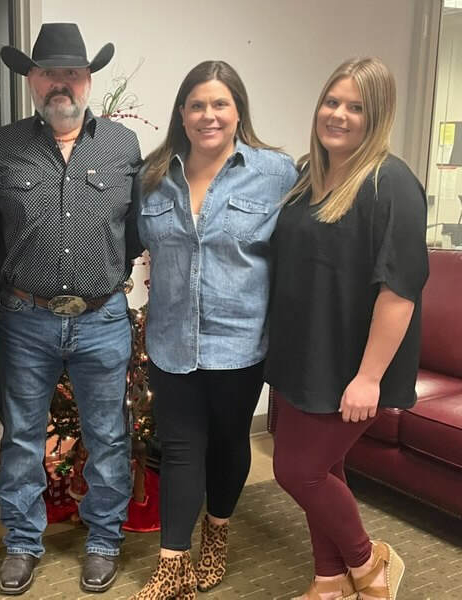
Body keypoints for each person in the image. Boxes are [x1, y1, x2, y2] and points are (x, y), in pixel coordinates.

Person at [0, 22, 142, 596]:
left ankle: (103, 541)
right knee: (22, 437)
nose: (60, 84)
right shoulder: (0, 149)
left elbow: (135, 229)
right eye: (49, 73)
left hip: (102, 319)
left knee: (109, 436)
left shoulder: (123, 145)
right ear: (31, 79)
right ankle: (23, 543)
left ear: (89, 79)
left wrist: (110, 278)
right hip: (25, 319)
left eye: (72, 73)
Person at [131, 60, 297, 599]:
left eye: (220, 104)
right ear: (182, 112)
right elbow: (127, 244)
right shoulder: (153, 176)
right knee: (180, 447)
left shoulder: (275, 173)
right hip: (171, 341)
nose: (209, 115)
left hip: (241, 342)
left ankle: (217, 535)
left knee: (228, 443)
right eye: (198, 105)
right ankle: (172, 566)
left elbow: (298, 253)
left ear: (238, 111)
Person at [266, 57, 428, 600]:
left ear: (376, 116)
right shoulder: (306, 176)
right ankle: (329, 581)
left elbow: (399, 292)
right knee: (326, 468)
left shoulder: (391, 182)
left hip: (352, 364)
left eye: (355, 107)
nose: (337, 114)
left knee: (298, 472)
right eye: (331, 102)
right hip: (303, 354)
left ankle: (369, 562)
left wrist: (369, 377)